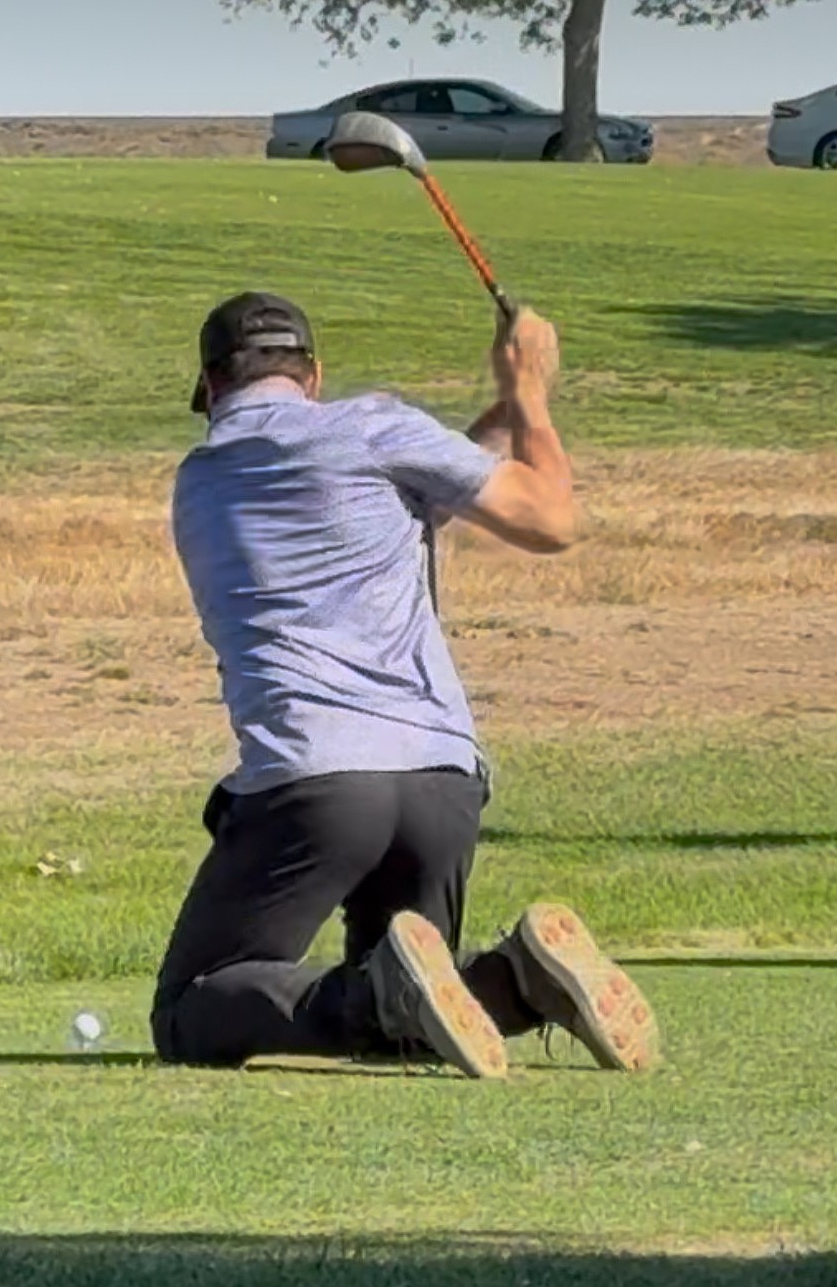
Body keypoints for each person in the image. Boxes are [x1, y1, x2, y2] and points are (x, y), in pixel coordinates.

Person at [150, 291, 658, 1078]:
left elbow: (450, 489)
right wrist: (528, 391)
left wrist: (515, 399)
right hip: (439, 785)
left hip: (315, 785)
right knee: (415, 1023)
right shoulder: (376, 429)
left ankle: (405, 992)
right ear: (312, 375)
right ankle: (518, 985)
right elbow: (543, 513)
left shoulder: (201, 479)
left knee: (190, 1008)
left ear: (211, 389)